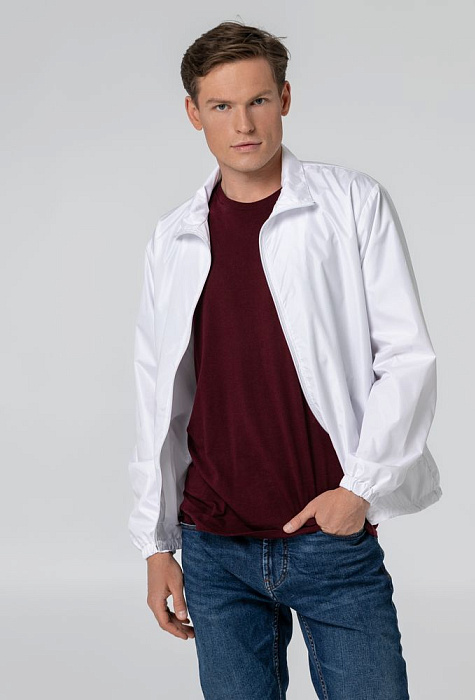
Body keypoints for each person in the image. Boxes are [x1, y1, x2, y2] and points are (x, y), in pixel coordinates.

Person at [127, 20, 442, 699]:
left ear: (285, 99)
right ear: (194, 113)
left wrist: (359, 491)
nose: (243, 124)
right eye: (221, 105)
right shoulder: (173, 238)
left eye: (258, 101)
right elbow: (158, 396)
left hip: (328, 538)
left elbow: (406, 358)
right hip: (212, 547)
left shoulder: (350, 204)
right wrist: (155, 543)